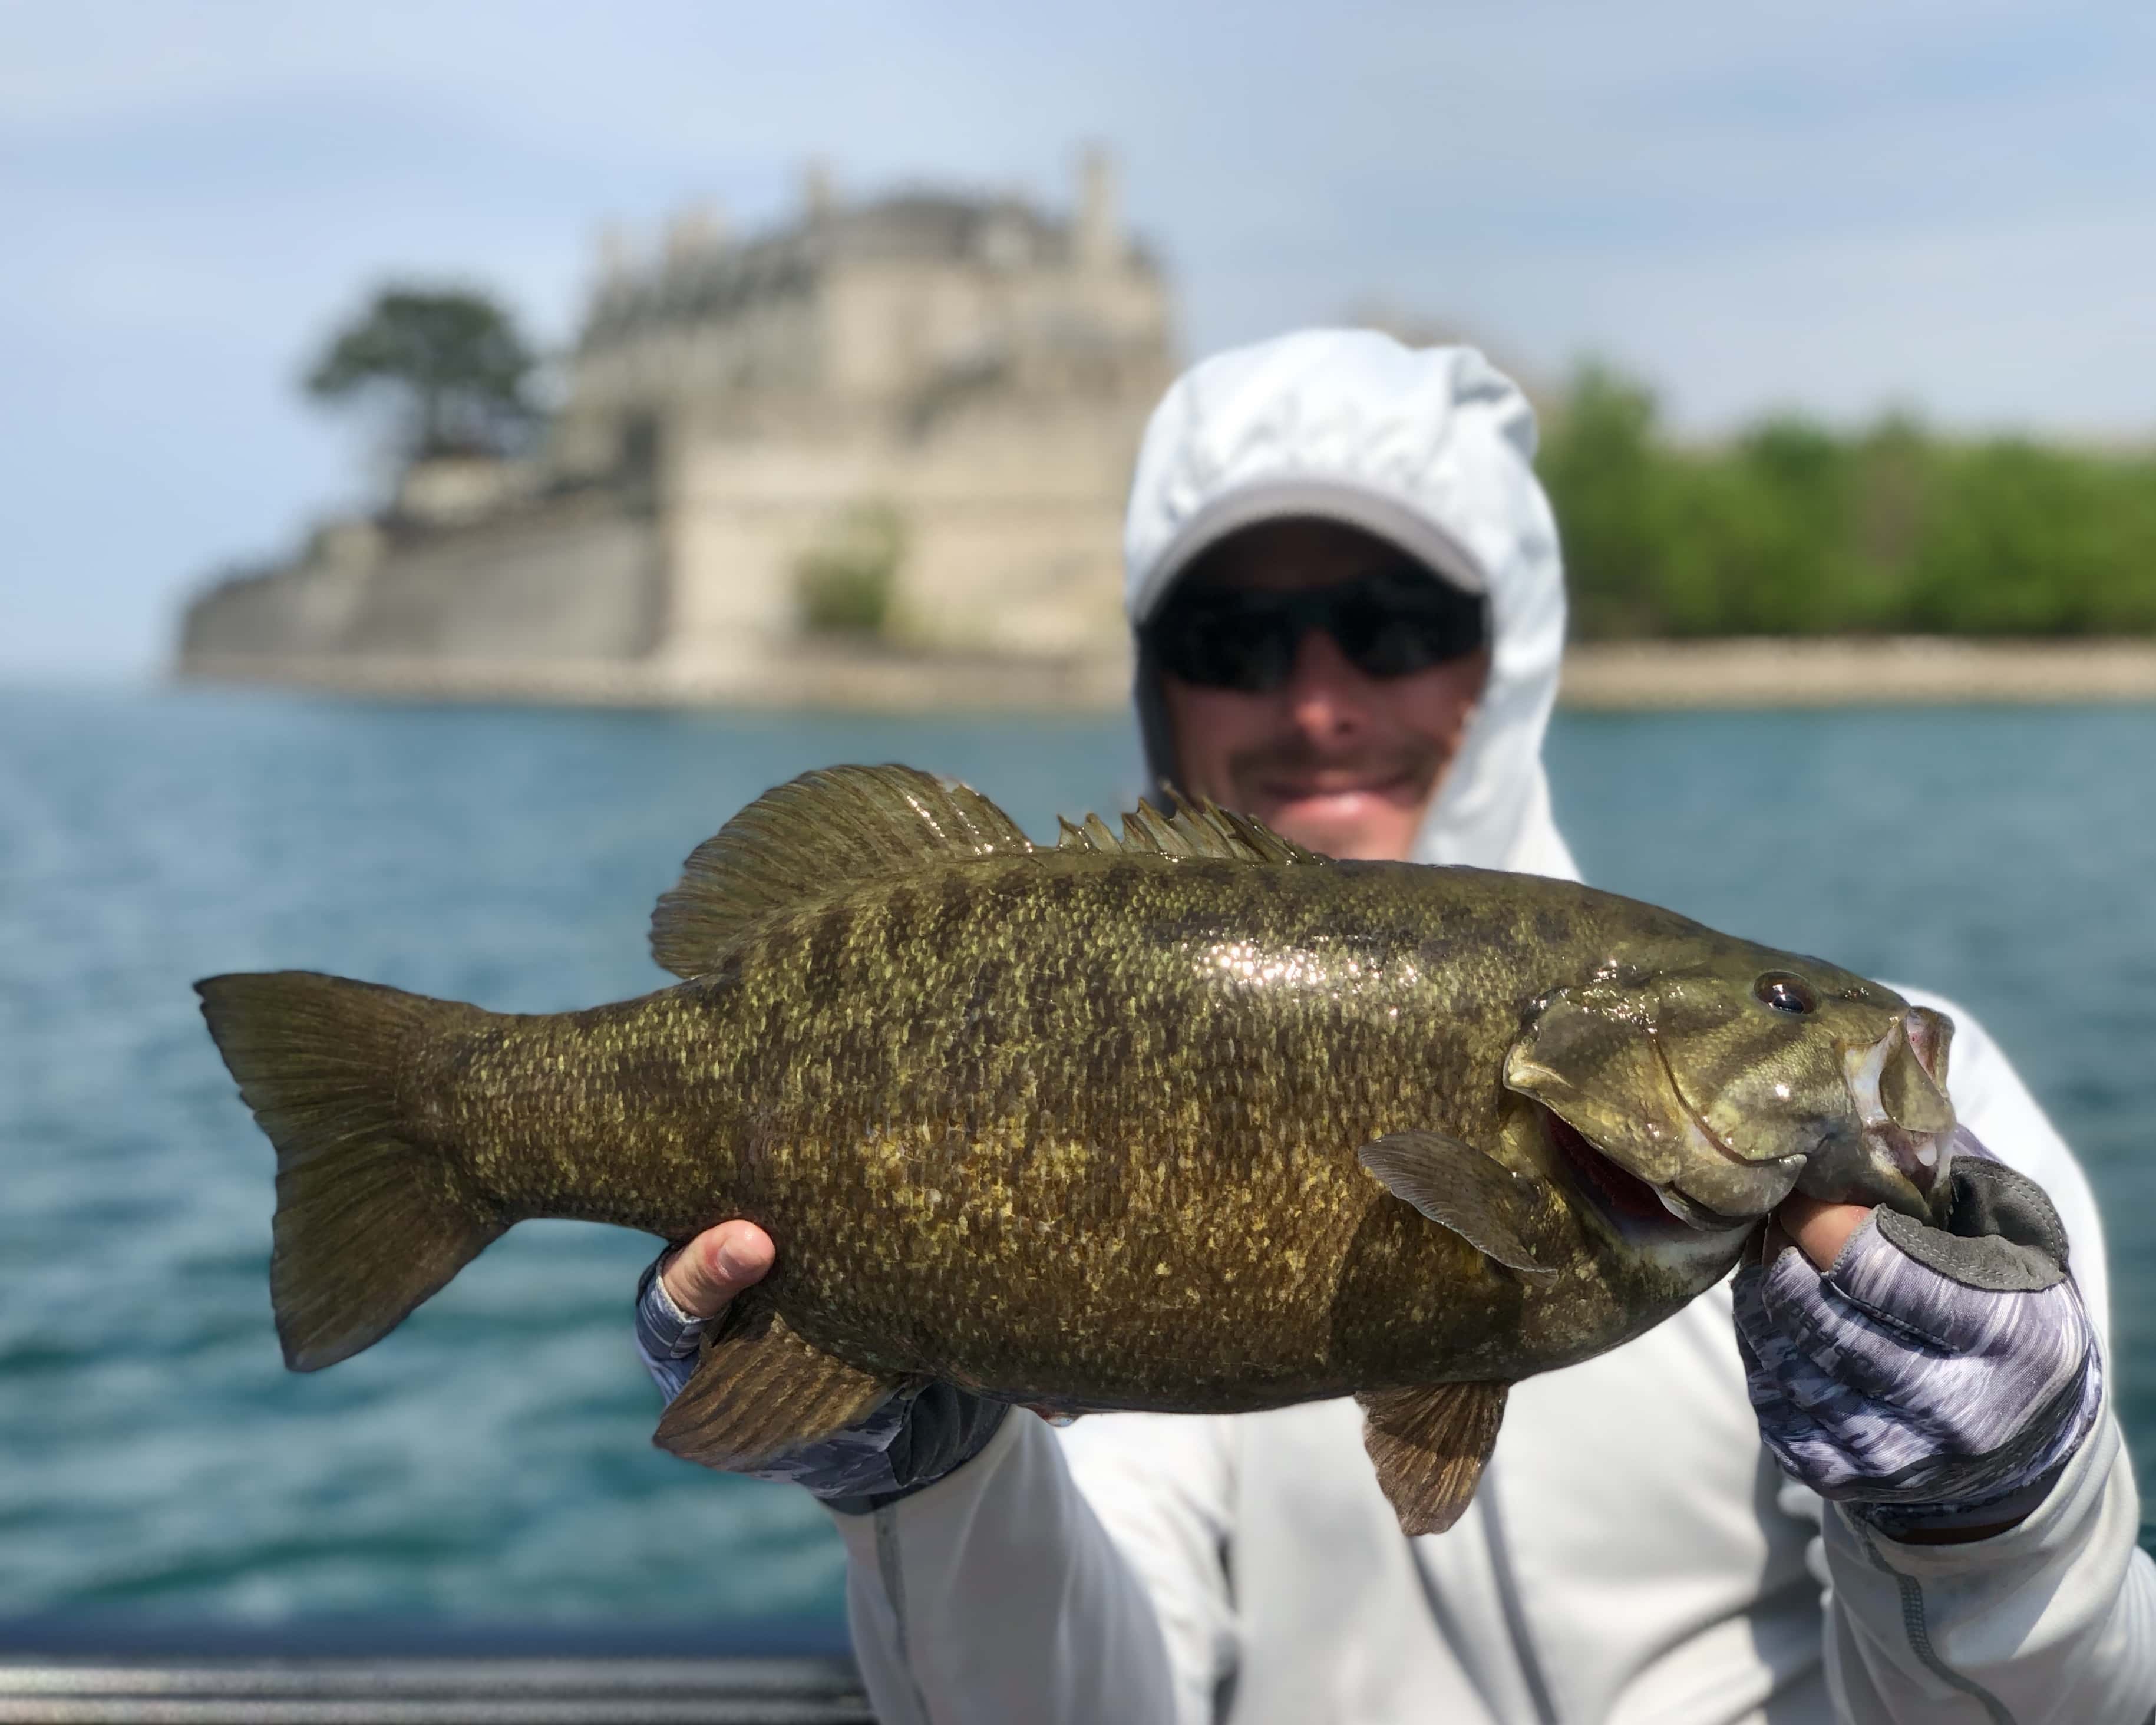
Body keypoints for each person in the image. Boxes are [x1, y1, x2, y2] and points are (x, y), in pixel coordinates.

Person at [634, 332, 2156, 1722]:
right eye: (1232, 636)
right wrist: (924, 1475)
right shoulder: (1115, 1057)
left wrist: (1994, 1519)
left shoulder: (1914, 1145)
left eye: (1391, 621)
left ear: (1508, 651)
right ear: (1153, 674)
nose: (1314, 702)